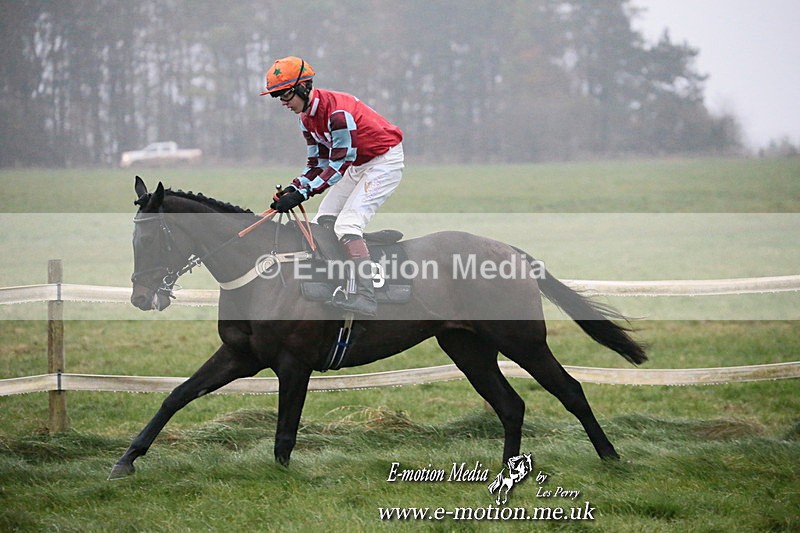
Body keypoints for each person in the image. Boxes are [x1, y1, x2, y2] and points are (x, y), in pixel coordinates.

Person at [260, 56, 404, 317]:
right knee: (323, 222)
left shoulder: (337, 114)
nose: (282, 101)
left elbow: (339, 164)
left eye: (285, 94)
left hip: (384, 161)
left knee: (347, 225)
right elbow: (317, 163)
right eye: (276, 96)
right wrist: (294, 189)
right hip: (358, 164)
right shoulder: (306, 119)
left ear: (304, 87)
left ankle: (366, 295)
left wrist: (302, 194)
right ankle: (339, 280)